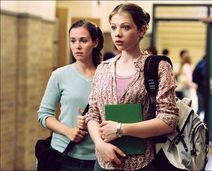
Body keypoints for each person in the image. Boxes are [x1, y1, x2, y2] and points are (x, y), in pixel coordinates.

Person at [85, 3, 179, 171]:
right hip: (103, 162)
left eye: (126, 27)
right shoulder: (103, 68)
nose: (117, 34)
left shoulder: (158, 67)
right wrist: (99, 144)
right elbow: (92, 113)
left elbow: (169, 119)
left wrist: (121, 129)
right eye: (113, 28)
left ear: (142, 30)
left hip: (141, 163)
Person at [37, 19, 104, 171]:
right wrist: (68, 131)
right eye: (73, 41)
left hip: (98, 159)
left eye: (83, 40)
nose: (77, 46)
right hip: (63, 155)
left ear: (95, 42)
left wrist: (93, 120)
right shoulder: (59, 75)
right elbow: (43, 115)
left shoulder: (107, 76)